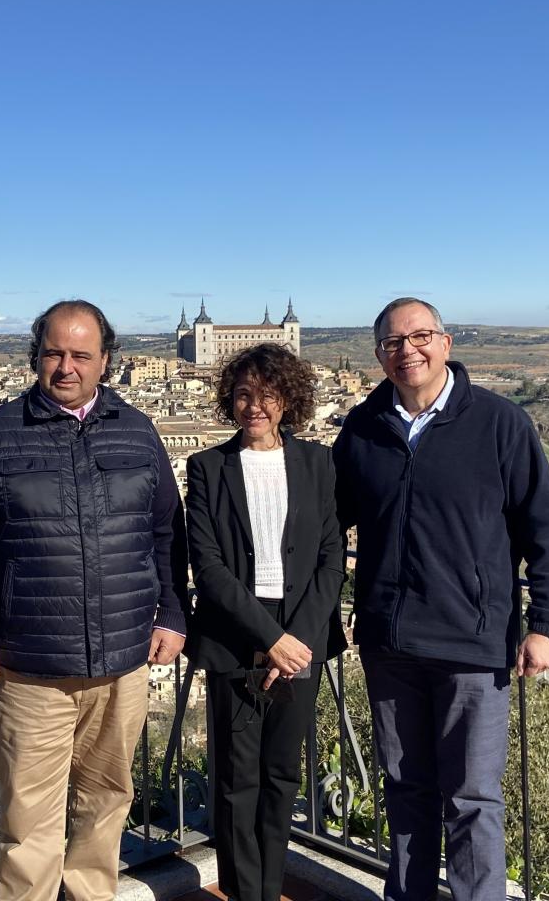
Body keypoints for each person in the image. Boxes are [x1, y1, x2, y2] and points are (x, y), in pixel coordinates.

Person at [0, 299, 188, 901]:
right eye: (54, 352)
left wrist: (175, 614)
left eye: (81, 354)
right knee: (28, 821)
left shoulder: (137, 429)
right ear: (37, 357)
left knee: (106, 803)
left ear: (106, 360)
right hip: (30, 664)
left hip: (123, 658)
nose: (67, 366)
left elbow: (167, 531)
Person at [331, 298, 549, 901]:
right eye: (392, 342)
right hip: (390, 643)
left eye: (419, 337)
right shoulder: (362, 430)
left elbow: (544, 530)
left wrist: (546, 624)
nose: (406, 350)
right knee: (406, 789)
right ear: (378, 354)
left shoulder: (499, 422)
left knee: (473, 799)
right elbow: (328, 526)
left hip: (473, 640)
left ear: (446, 341)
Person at [184, 343, 346, 901]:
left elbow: (331, 555)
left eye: (268, 394)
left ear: (288, 400)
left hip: (302, 635)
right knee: (237, 779)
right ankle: (243, 891)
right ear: (231, 399)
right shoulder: (206, 467)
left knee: (282, 775)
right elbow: (206, 564)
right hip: (238, 635)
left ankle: (270, 887)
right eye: (244, 394)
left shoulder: (318, 463)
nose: (255, 405)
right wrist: (270, 639)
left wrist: (296, 638)